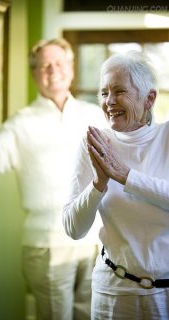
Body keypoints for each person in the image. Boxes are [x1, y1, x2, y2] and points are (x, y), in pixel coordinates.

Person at [0, 38, 107, 320]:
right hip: (46, 245)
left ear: (71, 68)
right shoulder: (21, 122)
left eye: (59, 63)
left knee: (93, 315)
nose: (52, 70)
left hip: (96, 241)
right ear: (34, 74)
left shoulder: (94, 115)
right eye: (44, 65)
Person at [62, 50, 169, 320]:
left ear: (150, 98)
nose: (109, 101)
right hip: (113, 293)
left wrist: (125, 175)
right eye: (103, 92)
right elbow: (73, 229)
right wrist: (98, 184)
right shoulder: (95, 144)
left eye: (119, 91)